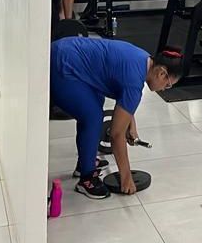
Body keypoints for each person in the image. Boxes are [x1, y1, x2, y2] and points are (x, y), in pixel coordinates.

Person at [50, 37, 183, 199]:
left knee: (95, 102)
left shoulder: (143, 60)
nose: (164, 89)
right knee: (91, 115)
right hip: (61, 65)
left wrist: (131, 125)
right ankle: (86, 179)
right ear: (161, 73)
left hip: (64, 51)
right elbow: (116, 134)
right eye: (167, 84)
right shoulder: (134, 83)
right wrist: (126, 177)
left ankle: (86, 161)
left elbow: (125, 97)